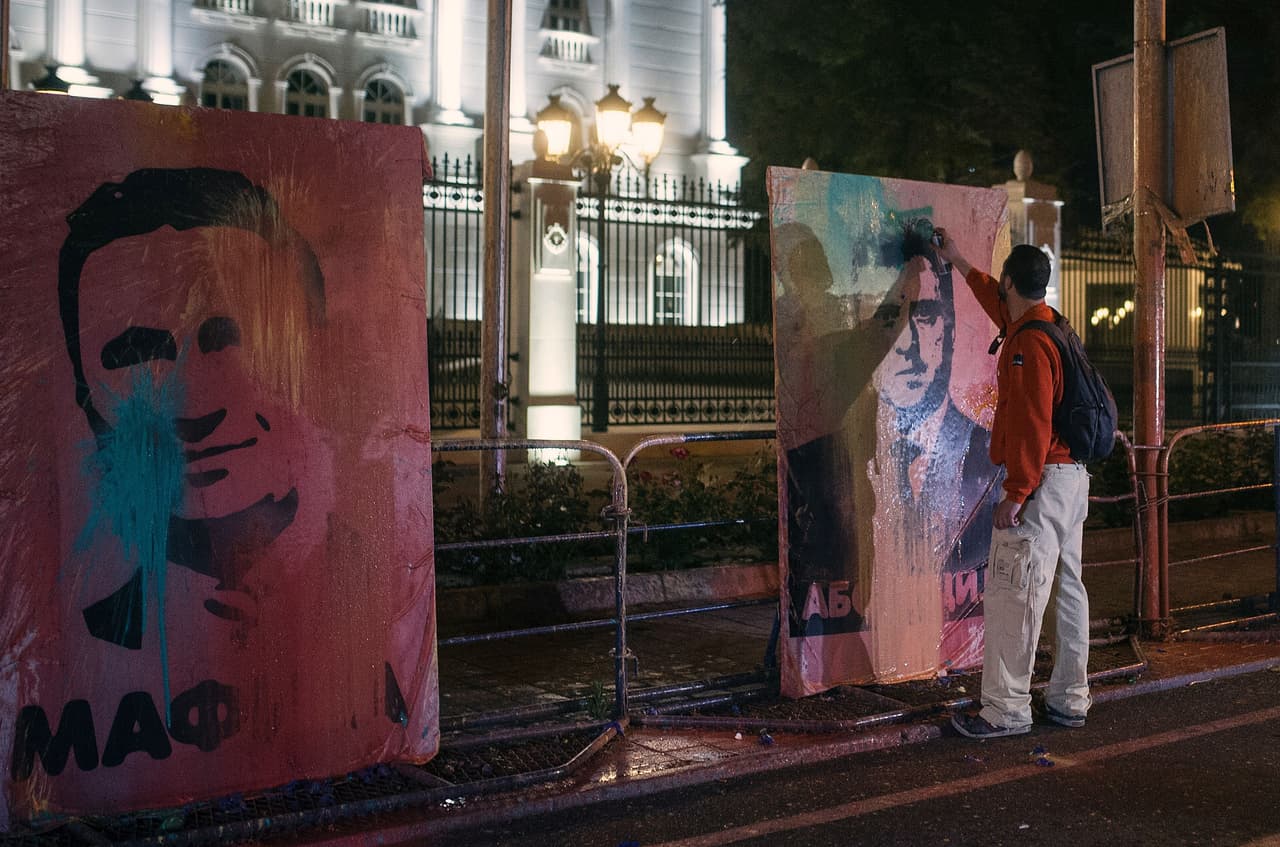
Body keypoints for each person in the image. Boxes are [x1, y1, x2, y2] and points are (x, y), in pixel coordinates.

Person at [58, 167, 328, 651]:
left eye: (229, 339)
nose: (194, 408)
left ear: (314, 354)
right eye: (137, 355)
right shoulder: (87, 636)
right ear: (86, 392)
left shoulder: (366, 589)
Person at [933, 233, 1092, 739]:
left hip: (1042, 484)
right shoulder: (1050, 328)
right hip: (1072, 481)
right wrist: (958, 258)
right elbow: (990, 298)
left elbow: (1030, 422)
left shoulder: (1026, 345)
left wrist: (1016, 494)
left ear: (1010, 284)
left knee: (1013, 593)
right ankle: (1069, 698)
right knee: (1070, 589)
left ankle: (1005, 710)